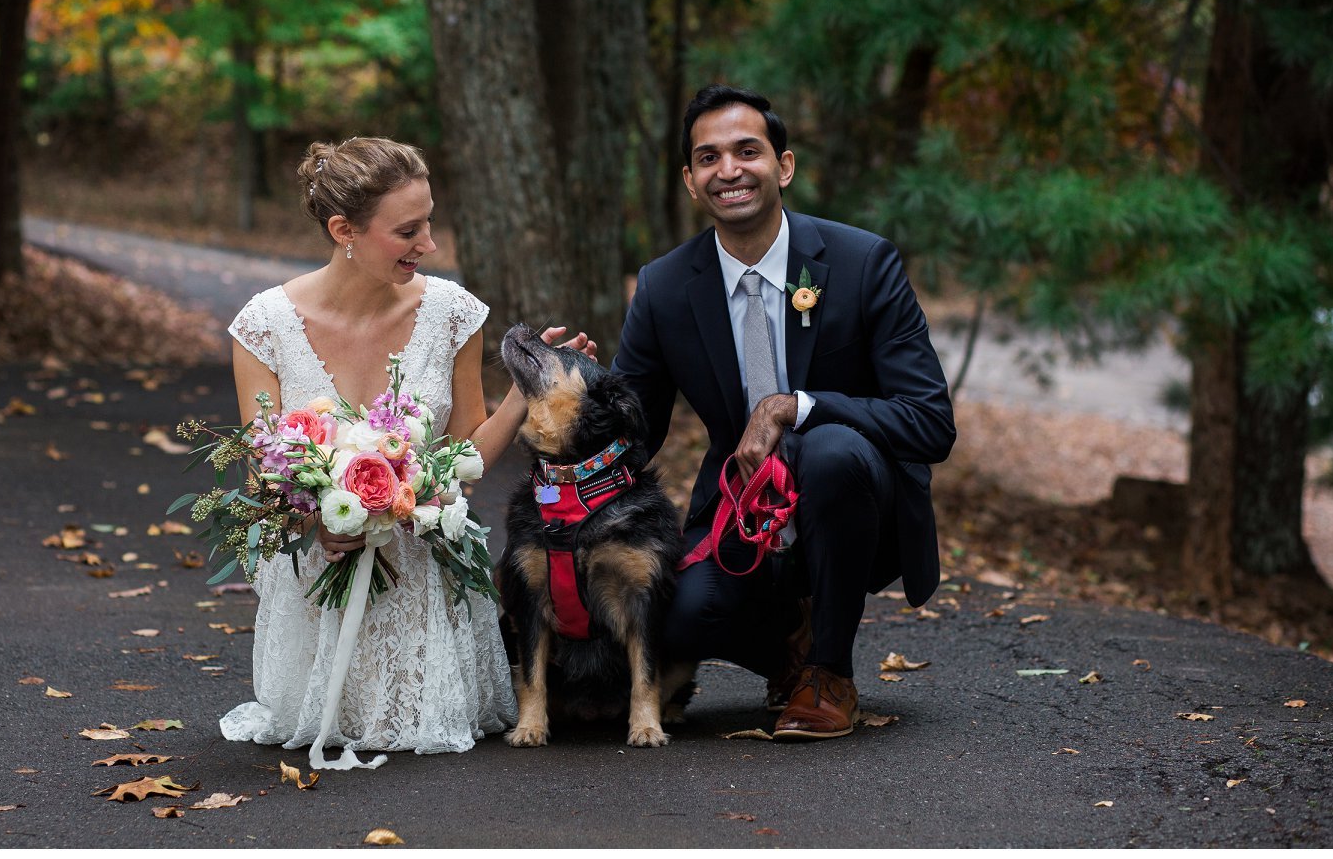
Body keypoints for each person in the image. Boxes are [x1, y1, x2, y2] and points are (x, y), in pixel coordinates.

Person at [217, 137, 590, 755]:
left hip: (423, 565)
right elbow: (265, 469)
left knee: (419, 723)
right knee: (319, 725)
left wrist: (528, 392)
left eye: (430, 223)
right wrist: (317, 521)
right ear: (345, 230)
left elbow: (465, 449)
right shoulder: (265, 326)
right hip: (322, 573)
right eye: (408, 230)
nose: (430, 246)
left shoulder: (450, 313)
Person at [614, 86, 956, 740]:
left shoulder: (861, 263)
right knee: (677, 620)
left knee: (829, 450)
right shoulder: (664, 286)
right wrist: (567, 407)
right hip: (742, 513)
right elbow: (634, 433)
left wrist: (794, 407)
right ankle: (789, 652)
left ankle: (830, 674)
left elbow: (930, 421)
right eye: (708, 158)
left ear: (785, 166)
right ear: (691, 181)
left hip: (858, 503)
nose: (729, 170)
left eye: (748, 151)